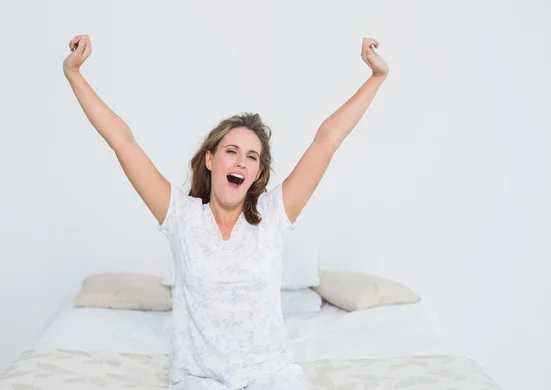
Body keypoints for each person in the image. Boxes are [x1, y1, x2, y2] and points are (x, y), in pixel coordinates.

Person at [63, 34, 389, 390]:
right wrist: (74, 74)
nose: (240, 161)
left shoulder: (273, 217)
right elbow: (122, 141)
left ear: (258, 174)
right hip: (198, 379)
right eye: (231, 151)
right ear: (210, 159)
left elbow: (326, 141)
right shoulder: (182, 218)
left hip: (269, 374)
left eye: (251, 157)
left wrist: (375, 78)